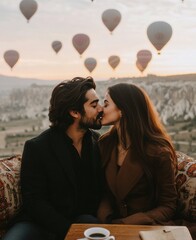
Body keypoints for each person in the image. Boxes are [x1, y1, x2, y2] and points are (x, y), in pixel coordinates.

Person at [3, 77, 104, 240]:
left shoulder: (97, 142)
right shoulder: (37, 147)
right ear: (75, 112)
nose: (101, 108)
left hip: (81, 220)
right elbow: (34, 201)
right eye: (94, 105)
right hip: (38, 224)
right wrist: (67, 231)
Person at [97, 83, 178, 226]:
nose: (101, 109)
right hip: (110, 225)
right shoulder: (105, 143)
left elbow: (168, 205)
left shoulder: (158, 153)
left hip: (144, 227)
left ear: (123, 110)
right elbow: (103, 191)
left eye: (106, 104)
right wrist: (106, 220)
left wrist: (127, 224)